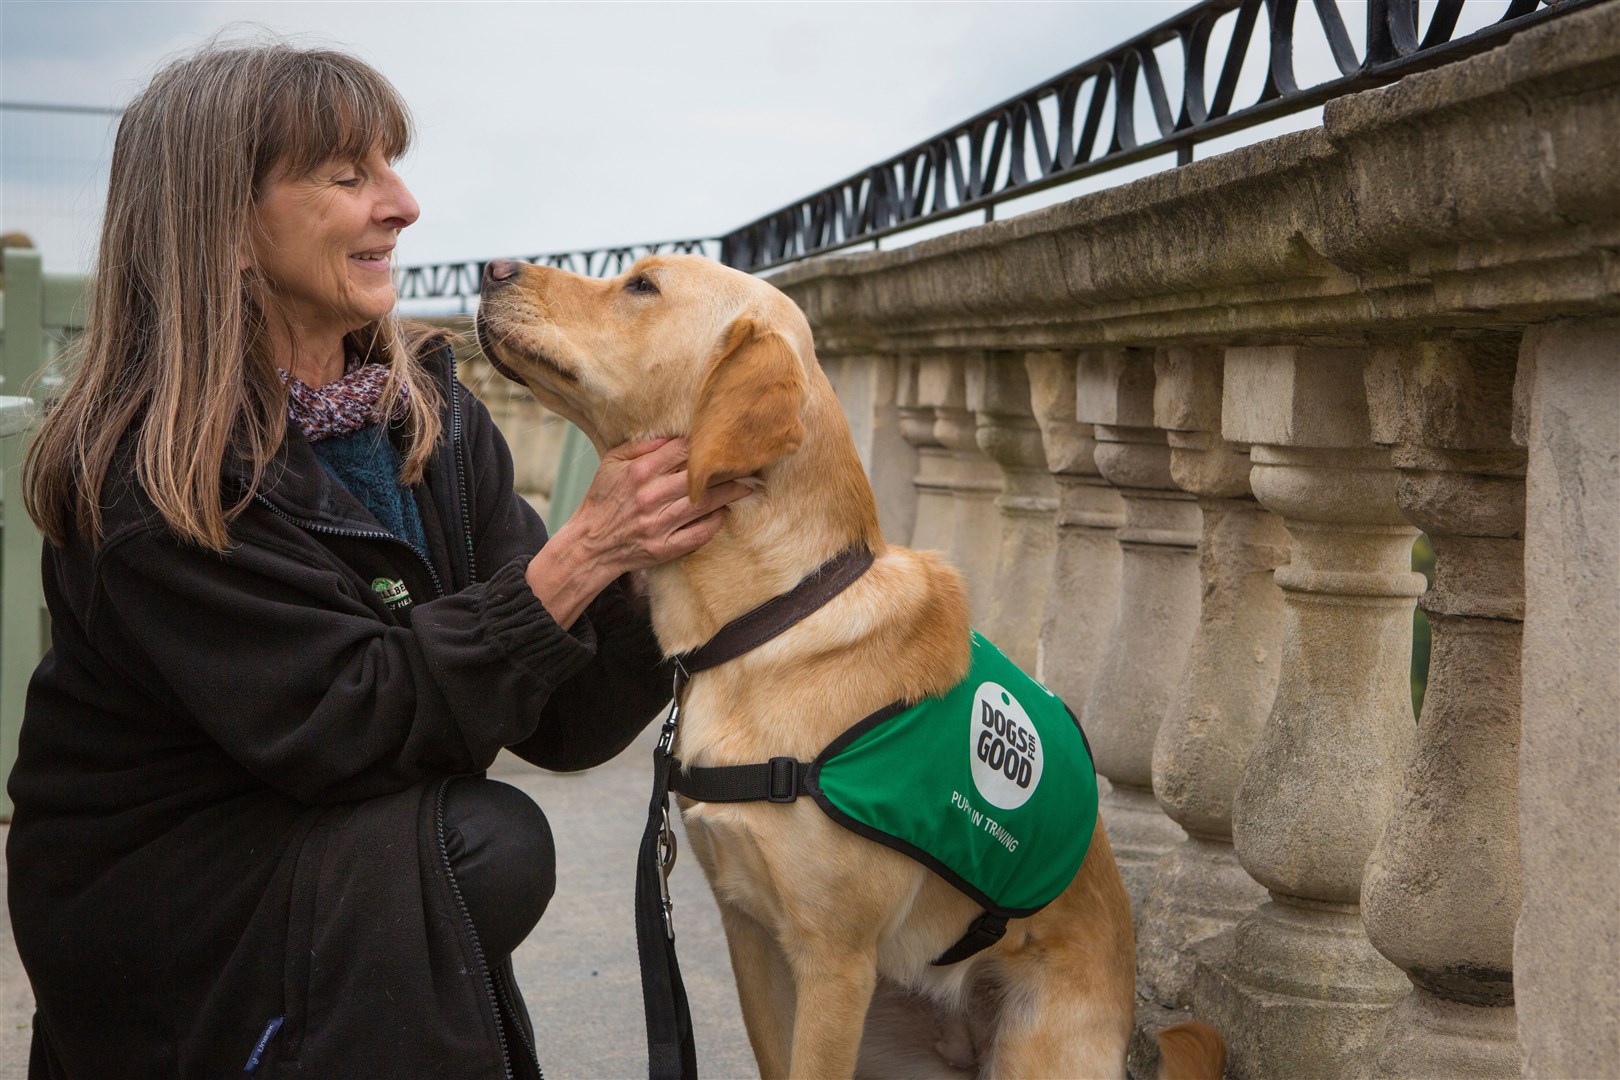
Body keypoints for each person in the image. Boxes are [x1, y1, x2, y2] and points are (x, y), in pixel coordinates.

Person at [5, 39, 748, 1079]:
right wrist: (581, 554)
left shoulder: (430, 420)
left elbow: (565, 722)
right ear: (223, 228)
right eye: (349, 177)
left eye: (389, 167)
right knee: (477, 850)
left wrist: (654, 577)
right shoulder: (150, 472)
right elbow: (343, 721)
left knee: (459, 850)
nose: (401, 205)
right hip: (175, 889)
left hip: (336, 837)